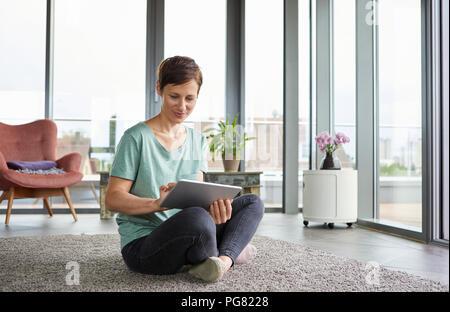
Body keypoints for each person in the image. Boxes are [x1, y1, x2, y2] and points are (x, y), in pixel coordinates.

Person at [105, 56, 264, 282]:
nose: (182, 106)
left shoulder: (197, 141)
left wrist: (215, 210)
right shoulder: (135, 138)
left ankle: (223, 261)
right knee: (197, 218)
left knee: (251, 203)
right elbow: (112, 199)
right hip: (144, 245)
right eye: (174, 96)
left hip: (191, 232)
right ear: (159, 88)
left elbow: (197, 200)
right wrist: (157, 203)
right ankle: (227, 249)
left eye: (190, 98)